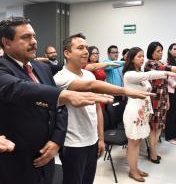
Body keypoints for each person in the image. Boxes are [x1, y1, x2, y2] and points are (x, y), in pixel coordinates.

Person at [0, 17, 114, 184]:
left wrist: (56, 141)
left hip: (48, 155)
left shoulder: (42, 68)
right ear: (6, 42)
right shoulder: (3, 68)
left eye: (34, 36)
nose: (33, 42)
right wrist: (64, 95)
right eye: (26, 37)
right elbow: (19, 88)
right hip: (16, 159)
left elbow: (59, 109)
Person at [54, 35, 153, 184]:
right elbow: (90, 86)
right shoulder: (60, 78)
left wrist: (100, 139)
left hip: (92, 141)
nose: (86, 51)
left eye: (86, 47)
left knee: (88, 180)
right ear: (67, 53)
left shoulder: (88, 74)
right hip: (73, 144)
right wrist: (125, 91)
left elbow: (97, 110)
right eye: (80, 48)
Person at [123, 47, 176, 182]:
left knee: (137, 143)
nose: (142, 58)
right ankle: (132, 171)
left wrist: (149, 111)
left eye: (143, 56)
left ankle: (135, 168)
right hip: (133, 112)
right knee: (133, 143)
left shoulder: (139, 72)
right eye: (139, 56)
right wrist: (167, 72)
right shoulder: (129, 74)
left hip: (142, 112)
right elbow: (150, 75)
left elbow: (147, 96)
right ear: (131, 58)